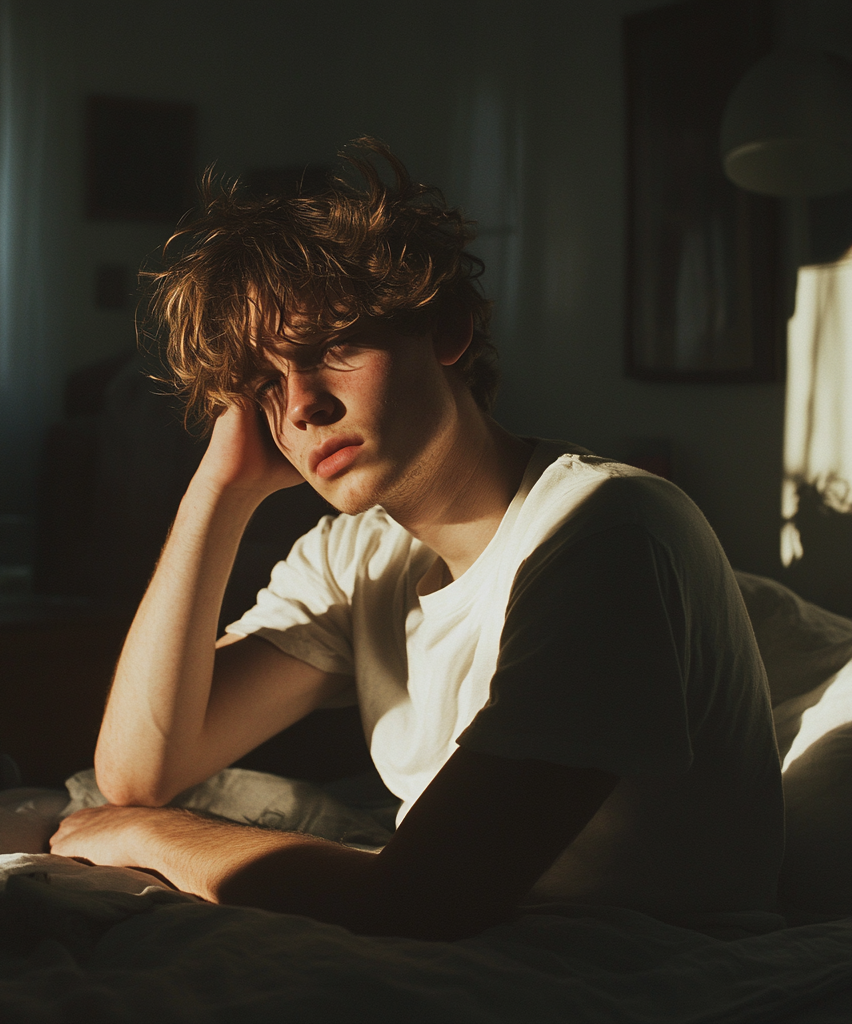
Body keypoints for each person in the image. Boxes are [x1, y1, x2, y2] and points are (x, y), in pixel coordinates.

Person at [50, 140, 783, 940]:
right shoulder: (356, 556)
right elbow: (137, 769)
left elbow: (425, 898)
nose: (300, 408)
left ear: (446, 331)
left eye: (330, 348)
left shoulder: (605, 531)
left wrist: (145, 835)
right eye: (266, 386)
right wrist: (218, 491)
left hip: (649, 973)